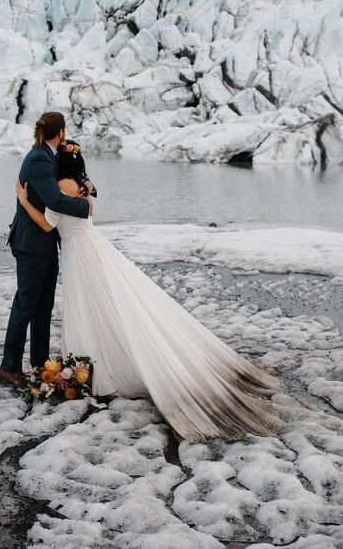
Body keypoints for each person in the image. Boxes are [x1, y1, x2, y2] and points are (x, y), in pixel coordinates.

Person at [14, 141, 282, 443]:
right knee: (103, 303)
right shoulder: (84, 185)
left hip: (78, 255)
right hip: (92, 248)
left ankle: (92, 366)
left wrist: (24, 200)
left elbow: (48, 225)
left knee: (86, 306)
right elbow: (85, 214)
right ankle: (96, 360)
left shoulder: (61, 184)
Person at [0, 112, 93, 387]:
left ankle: (39, 363)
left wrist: (86, 185)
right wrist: (86, 208)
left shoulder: (47, 155)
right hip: (31, 244)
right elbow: (54, 199)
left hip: (44, 243)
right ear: (61, 132)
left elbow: (65, 182)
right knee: (26, 305)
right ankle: (8, 368)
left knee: (43, 306)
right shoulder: (39, 157)